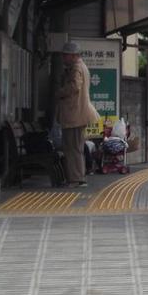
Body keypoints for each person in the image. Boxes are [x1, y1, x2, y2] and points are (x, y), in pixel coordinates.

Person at [56, 41, 99, 187]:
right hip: (77, 113)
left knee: (72, 147)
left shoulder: (76, 68)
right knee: (76, 147)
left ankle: (75, 179)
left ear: (73, 55)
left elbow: (74, 86)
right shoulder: (81, 67)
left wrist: (60, 92)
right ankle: (78, 178)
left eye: (66, 55)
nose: (64, 57)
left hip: (74, 114)